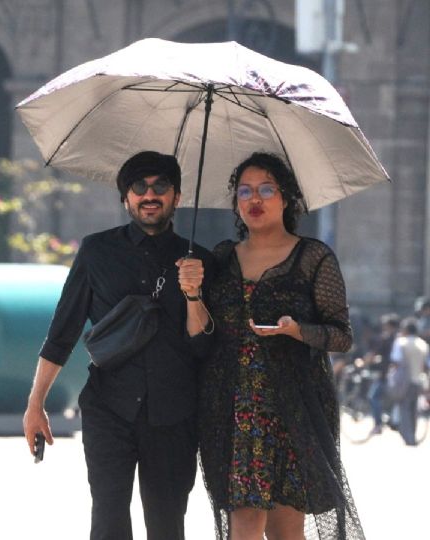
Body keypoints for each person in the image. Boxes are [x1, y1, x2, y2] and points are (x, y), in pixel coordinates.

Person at [22, 151, 215, 540]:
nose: (150, 195)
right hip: (109, 407)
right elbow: (63, 332)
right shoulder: (96, 252)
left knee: (166, 524)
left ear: (177, 197)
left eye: (161, 186)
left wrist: (194, 294)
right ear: (125, 198)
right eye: (138, 187)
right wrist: (35, 403)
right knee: (108, 520)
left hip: (174, 414)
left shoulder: (200, 261)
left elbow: (203, 348)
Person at [199, 152, 365, 539]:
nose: (254, 199)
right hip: (232, 408)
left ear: (286, 198)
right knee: (242, 524)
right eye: (244, 191)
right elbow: (202, 331)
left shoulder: (313, 258)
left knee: (286, 530)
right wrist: (192, 293)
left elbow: (341, 335)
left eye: (266, 189)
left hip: (293, 408)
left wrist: (298, 331)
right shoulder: (221, 258)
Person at [389, 318, 428, 446]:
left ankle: (408, 437)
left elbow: (395, 361)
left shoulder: (401, 342)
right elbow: (426, 365)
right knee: (414, 408)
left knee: (404, 407)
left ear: (405, 330)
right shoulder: (423, 344)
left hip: (403, 380)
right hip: (419, 379)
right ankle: (412, 434)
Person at [364, 313, 399, 434]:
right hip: (397, 375)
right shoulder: (399, 338)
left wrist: (363, 362)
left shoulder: (387, 338)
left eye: (385, 325)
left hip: (385, 375)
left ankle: (378, 424)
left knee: (373, 397)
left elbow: (374, 353)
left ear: (390, 326)